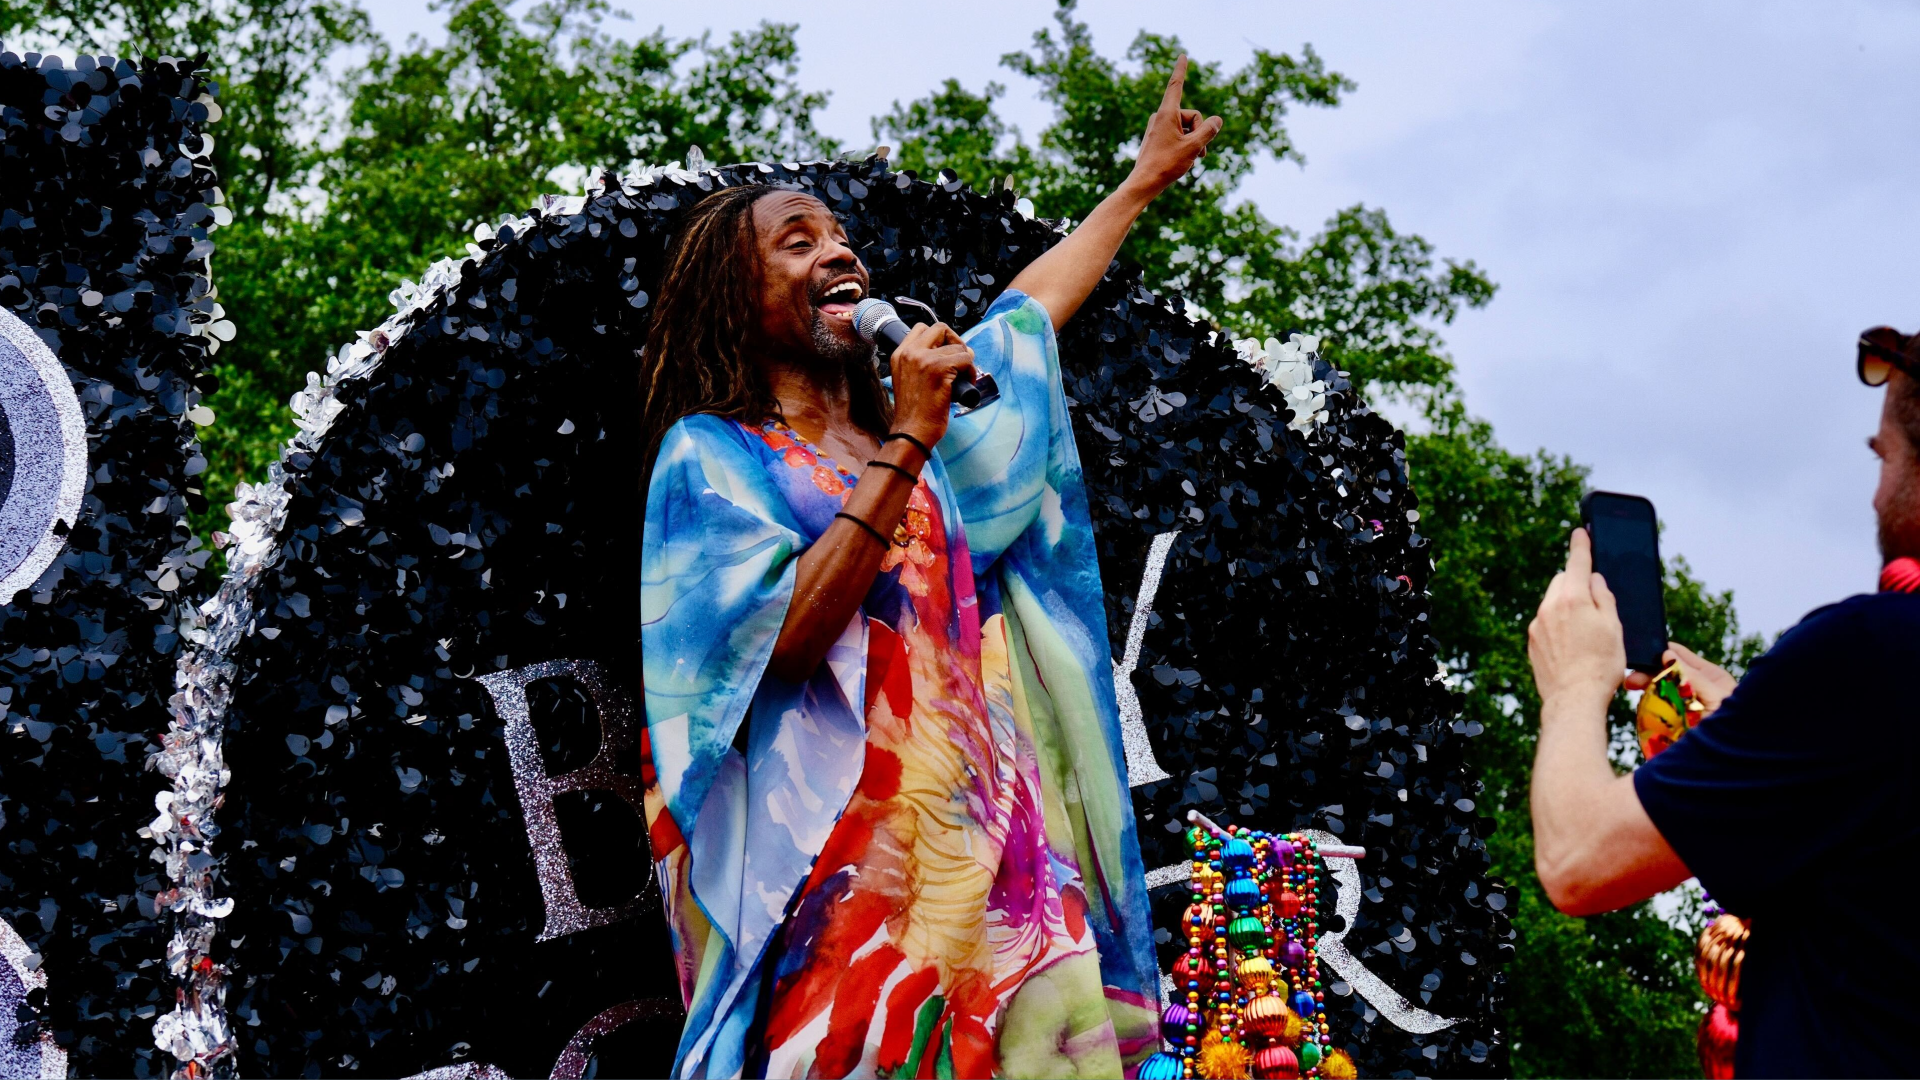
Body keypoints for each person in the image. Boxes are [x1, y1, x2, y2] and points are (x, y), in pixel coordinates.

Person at [636, 59, 1223, 1079]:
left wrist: (1136, 187)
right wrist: (907, 437)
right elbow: (778, 641)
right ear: (738, 295)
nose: (837, 251)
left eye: (842, 238)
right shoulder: (715, 455)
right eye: (798, 240)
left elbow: (1027, 317)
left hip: (1001, 858)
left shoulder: (934, 447)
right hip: (844, 878)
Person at [1525, 326, 1920, 1077]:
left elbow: (1578, 859)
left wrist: (1576, 683)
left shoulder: (1875, 651)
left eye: (1886, 459)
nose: (1874, 493)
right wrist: (1760, 723)